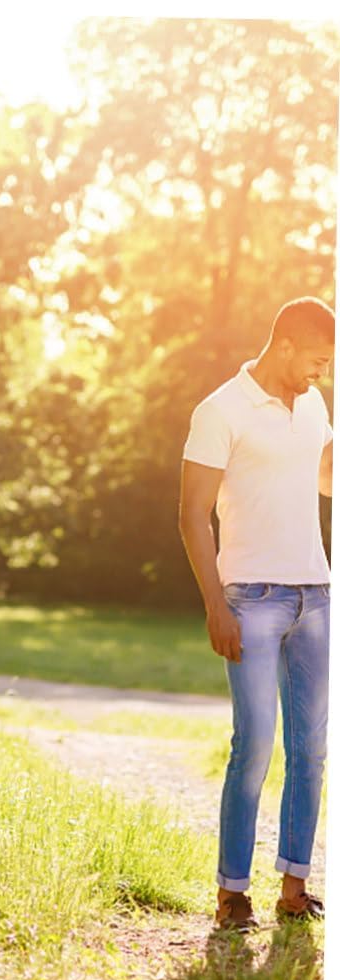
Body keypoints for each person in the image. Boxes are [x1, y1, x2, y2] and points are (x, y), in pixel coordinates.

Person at [179, 296, 334, 931]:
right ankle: (232, 893)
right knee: (255, 745)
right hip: (252, 599)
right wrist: (216, 603)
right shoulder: (220, 411)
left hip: (317, 597)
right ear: (287, 344)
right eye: (318, 361)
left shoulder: (315, 404)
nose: (322, 374)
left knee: (314, 749)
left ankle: (294, 886)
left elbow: (322, 478)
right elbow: (192, 514)